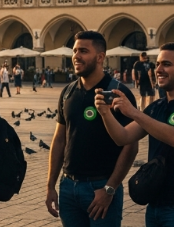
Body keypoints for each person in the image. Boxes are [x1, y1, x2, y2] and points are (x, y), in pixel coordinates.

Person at [95, 43, 174, 227]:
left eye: (166, 64)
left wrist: (134, 112)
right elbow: (122, 137)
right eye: (158, 64)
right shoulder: (156, 107)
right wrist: (105, 112)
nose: (158, 69)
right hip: (155, 204)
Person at [45, 31, 139, 227]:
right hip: (68, 186)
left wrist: (110, 189)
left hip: (100, 186)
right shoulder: (68, 92)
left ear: (100, 57)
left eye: (83, 51)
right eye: (75, 51)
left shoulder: (117, 92)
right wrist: (50, 185)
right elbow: (59, 139)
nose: (76, 56)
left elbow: (131, 146)